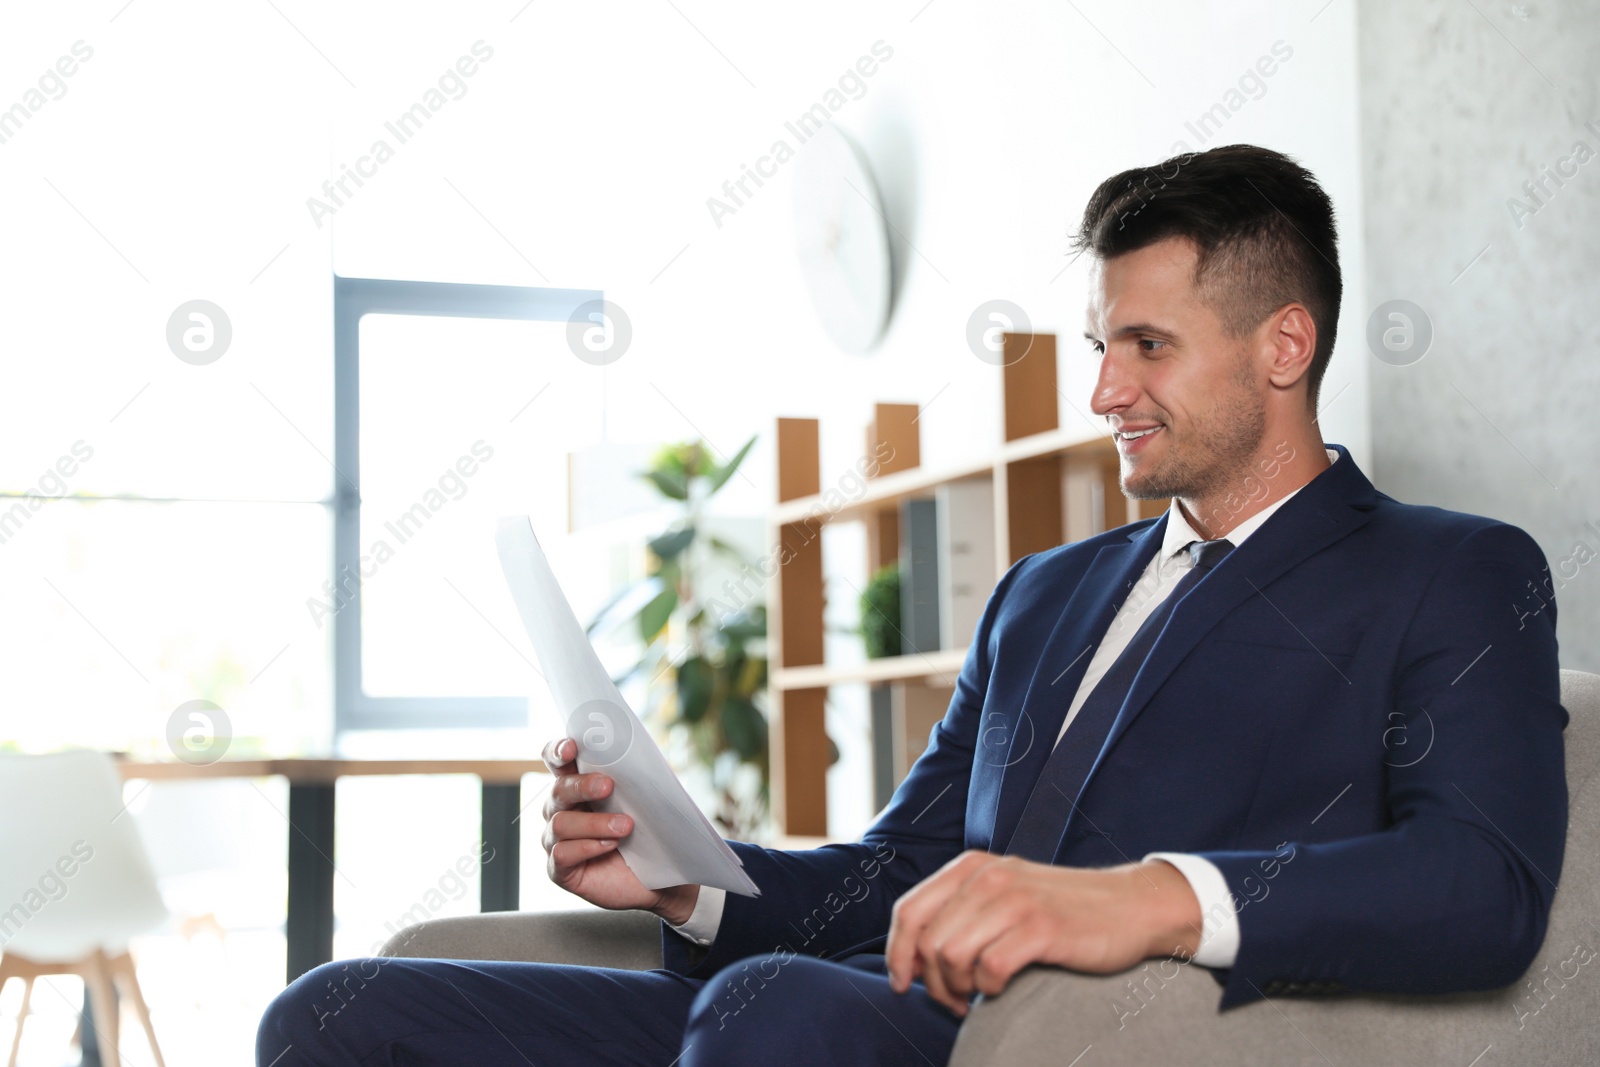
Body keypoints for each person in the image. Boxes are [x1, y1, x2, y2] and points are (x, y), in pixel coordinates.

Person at [257, 144, 1566, 1066]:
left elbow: (1483, 882)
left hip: (1095, 1039)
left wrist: (1145, 899)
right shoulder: (1045, 594)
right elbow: (902, 871)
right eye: (1101, 344)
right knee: (330, 1016)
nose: (1103, 389)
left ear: (1285, 346)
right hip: (847, 1022)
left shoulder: (1449, 573)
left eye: (1146, 347)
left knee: (772, 1013)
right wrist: (690, 884)